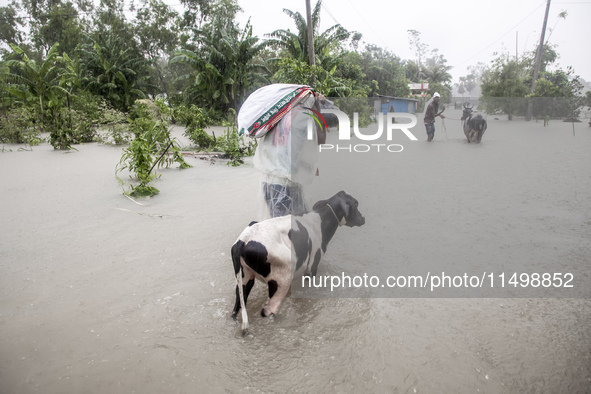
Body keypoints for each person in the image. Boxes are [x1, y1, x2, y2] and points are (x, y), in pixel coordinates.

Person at [253, 91, 326, 219]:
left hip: (268, 181)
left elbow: (283, 150)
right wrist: (318, 107)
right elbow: (321, 138)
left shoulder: (278, 115)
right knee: (292, 230)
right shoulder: (303, 116)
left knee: (280, 226)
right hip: (285, 185)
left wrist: (306, 164)